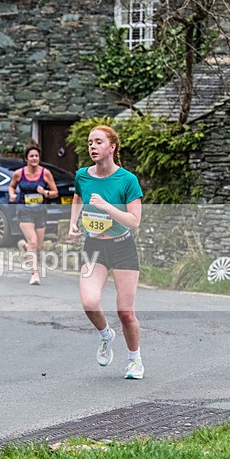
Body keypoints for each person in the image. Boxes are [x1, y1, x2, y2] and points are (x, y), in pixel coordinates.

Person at [68, 125, 144, 379]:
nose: (92, 146)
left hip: (122, 246)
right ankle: (105, 334)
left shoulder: (127, 180)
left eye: (98, 142)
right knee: (89, 302)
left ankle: (135, 360)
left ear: (111, 147)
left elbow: (134, 221)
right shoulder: (82, 175)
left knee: (125, 312)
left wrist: (106, 206)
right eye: (90, 142)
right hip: (94, 247)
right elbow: (78, 198)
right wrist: (73, 222)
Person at [8, 142, 58, 285]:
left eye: (36, 156)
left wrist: (46, 192)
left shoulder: (45, 173)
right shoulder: (19, 173)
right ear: (26, 158)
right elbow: (11, 187)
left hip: (40, 211)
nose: (34, 158)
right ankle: (35, 274)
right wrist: (12, 195)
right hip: (24, 211)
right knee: (33, 241)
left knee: (38, 246)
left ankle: (23, 246)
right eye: (31, 156)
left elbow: (55, 193)